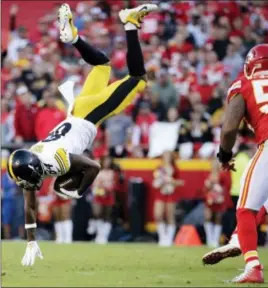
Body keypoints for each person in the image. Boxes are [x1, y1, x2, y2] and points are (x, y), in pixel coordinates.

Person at [6, 2, 158, 266]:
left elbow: (93, 167)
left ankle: (130, 23)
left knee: (138, 78)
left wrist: (76, 191)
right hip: (76, 111)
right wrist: (31, 239)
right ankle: (73, 37)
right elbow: (29, 202)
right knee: (102, 66)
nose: (25, 187)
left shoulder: (54, 161)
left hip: (88, 116)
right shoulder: (34, 158)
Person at [206, 44, 268, 283]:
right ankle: (239, 238)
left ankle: (253, 267)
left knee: (246, 209)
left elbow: (229, 129)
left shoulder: (243, 84)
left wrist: (224, 156)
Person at [153, 151, 184, 246]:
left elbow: (181, 182)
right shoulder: (159, 168)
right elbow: (155, 182)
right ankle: (162, 237)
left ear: (171, 157)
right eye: (165, 156)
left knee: (170, 215)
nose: (166, 158)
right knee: (158, 215)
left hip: (171, 193)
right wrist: (159, 181)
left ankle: (169, 239)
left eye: (168, 156)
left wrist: (171, 180)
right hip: (161, 192)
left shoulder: (175, 168)